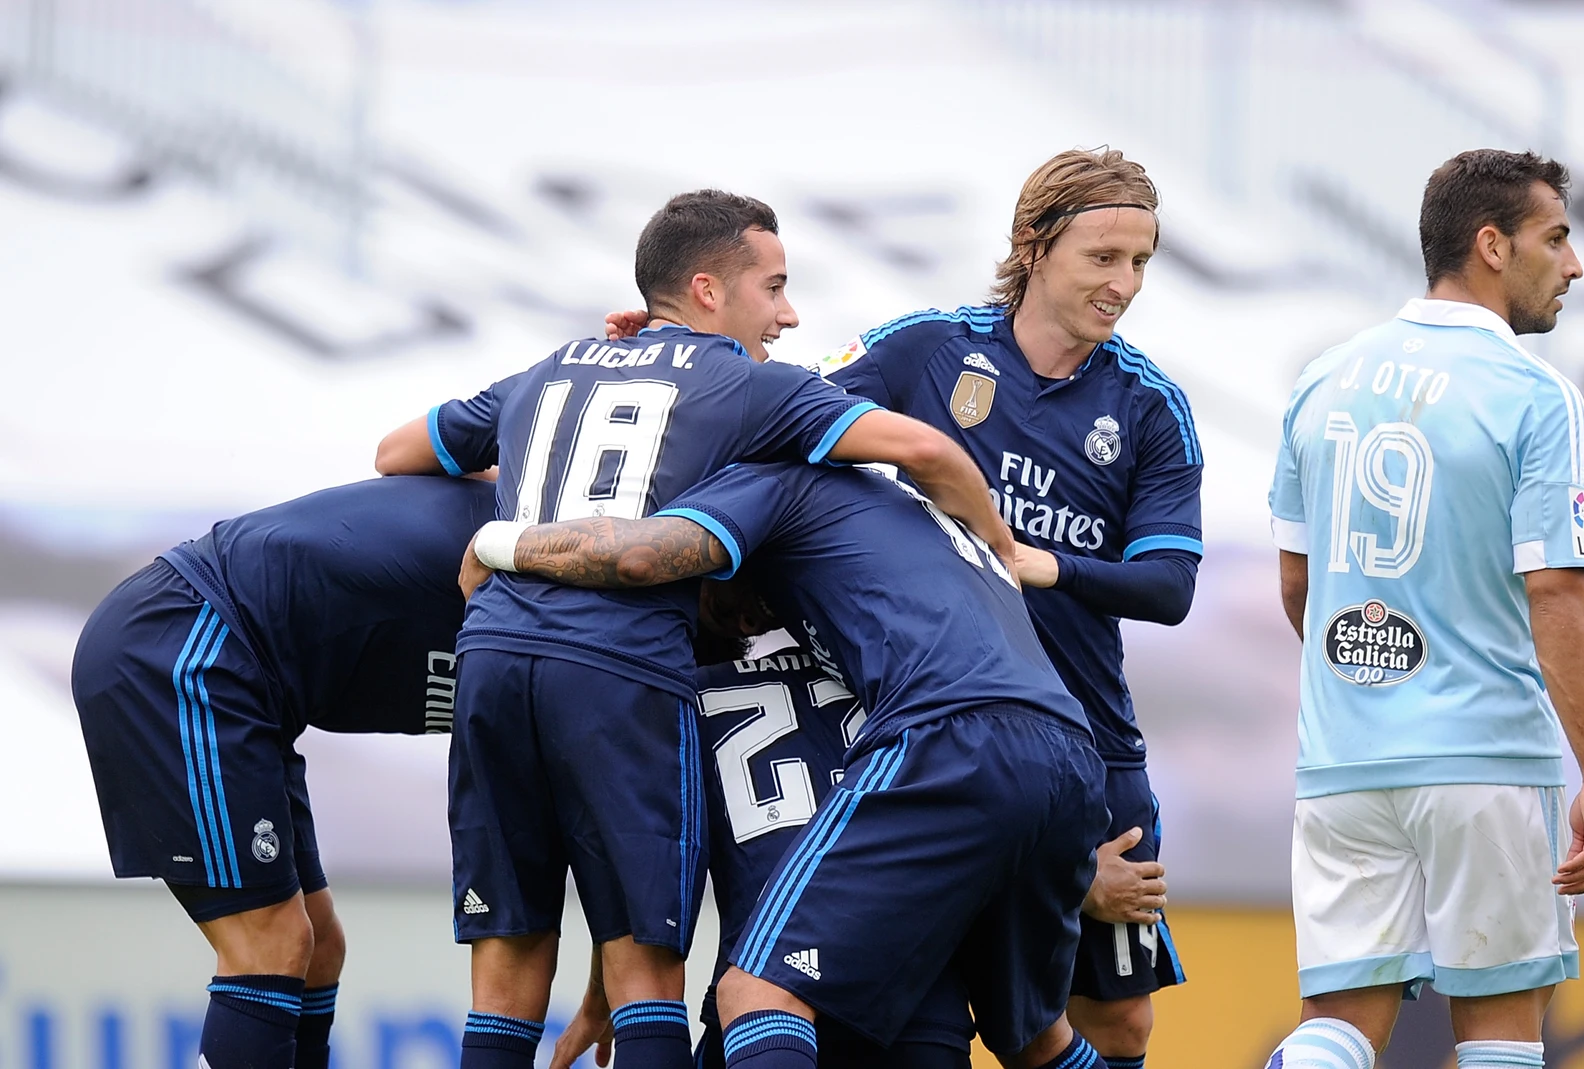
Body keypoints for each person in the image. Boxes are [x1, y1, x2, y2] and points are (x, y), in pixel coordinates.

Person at [375, 190, 1009, 1069]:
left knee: (507, 963)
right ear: (708, 290)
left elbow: (398, 451)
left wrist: (533, 492)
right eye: (774, 287)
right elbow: (929, 451)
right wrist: (1000, 551)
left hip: (490, 653)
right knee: (646, 972)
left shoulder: (551, 367)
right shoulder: (747, 384)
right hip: (619, 667)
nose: (789, 315)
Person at [606, 148, 1192, 1067]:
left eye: (1141, 262)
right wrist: (672, 355)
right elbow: (780, 424)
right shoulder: (928, 348)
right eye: (1103, 258)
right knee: (982, 1010)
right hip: (935, 721)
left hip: (1086, 736)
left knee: (1114, 1021)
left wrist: (1037, 563)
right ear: (1032, 246)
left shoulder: (1148, 405)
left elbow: (1169, 584)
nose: (1124, 284)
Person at [461, 460, 1113, 1069]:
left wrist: (500, 541)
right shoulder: (899, 591)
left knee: (752, 991)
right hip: (1058, 763)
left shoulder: (688, 691)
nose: (748, 618)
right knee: (1035, 1037)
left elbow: (645, 890)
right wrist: (1088, 876)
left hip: (798, 1003)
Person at [1264, 148, 1584, 1069]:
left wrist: (1371, 681)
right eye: (1556, 238)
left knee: (1336, 1026)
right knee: (1501, 1030)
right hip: (1485, 755)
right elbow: (1557, 590)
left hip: (1344, 758)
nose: (1574, 265)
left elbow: (1299, 584)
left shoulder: (1324, 377)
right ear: (1493, 245)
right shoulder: (1536, 395)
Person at [69, 475, 495, 1069]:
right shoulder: (536, 542)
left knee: (318, 949)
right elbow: (396, 451)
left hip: (253, 683)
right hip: (187, 645)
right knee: (270, 943)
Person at [554, 633, 979, 1069]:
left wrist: (602, 992)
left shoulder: (682, 703)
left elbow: (642, 898)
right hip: (920, 1011)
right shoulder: (900, 691)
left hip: (767, 1004)